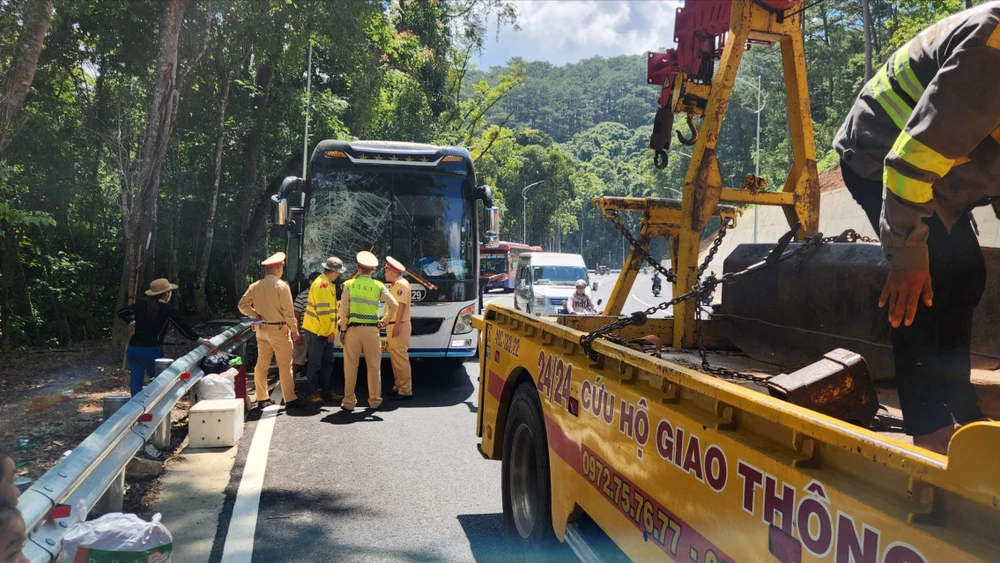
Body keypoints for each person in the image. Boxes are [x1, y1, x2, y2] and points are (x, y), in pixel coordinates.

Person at [832, 3, 999, 453]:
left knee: (966, 274)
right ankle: (927, 425)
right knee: (928, 280)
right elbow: (910, 160)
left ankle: (962, 409)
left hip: (938, 167)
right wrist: (907, 257)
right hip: (880, 152)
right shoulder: (994, 52)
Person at [117, 279, 211, 396]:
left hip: (133, 349)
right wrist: (200, 340)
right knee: (158, 382)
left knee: (136, 380)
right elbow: (182, 327)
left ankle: (134, 410)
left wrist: (132, 322)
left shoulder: (141, 305)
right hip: (151, 351)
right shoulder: (167, 310)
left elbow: (121, 312)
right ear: (166, 294)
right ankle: (155, 409)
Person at [238, 252, 302, 409]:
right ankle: (290, 398)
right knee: (285, 365)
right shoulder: (282, 286)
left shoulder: (255, 286)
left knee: (262, 364)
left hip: (261, 329)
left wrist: (255, 314)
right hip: (279, 330)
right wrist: (294, 330)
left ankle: (261, 398)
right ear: (279, 269)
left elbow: (242, 305)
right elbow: (288, 311)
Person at [338, 251, 397, 411]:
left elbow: (343, 311)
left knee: (350, 367)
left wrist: (343, 330)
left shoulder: (349, 285)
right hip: (372, 331)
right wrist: (384, 320)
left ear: (357, 268)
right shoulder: (378, 285)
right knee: (374, 367)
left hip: (353, 330)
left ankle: (349, 402)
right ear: (372, 270)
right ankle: (375, 401)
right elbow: (395, 305)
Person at [302, 257, 346, 403]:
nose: (339, 275)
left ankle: (326, 390)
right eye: (338, 273)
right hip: (318, 331)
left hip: (323, 330)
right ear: (333, 272)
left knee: (327, 362)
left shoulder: (326, 284)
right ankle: (312, 392)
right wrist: (330, 332)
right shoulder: (322, 285)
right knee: (315, 363)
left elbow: (329, 310)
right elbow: (323, 313)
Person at [380, 257, 412, 400]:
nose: (385, 273)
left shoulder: (400, 285)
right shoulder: (397, 284)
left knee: (400, 359)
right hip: (394, 324)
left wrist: (397, 325)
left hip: (398, 325)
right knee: (396, 358)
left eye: (386, 270)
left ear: (392, 272)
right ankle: (399, 386)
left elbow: (401, 306)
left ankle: (405, 390)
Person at [293, 272, 321, 376]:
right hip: (303, 335)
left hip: (317, 335)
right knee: (297, 360)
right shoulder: (302, 296)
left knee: (315, 362)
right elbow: (296, 315)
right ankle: (289, 383)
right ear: (310, 282)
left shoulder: (323, 296)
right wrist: (296, 333)